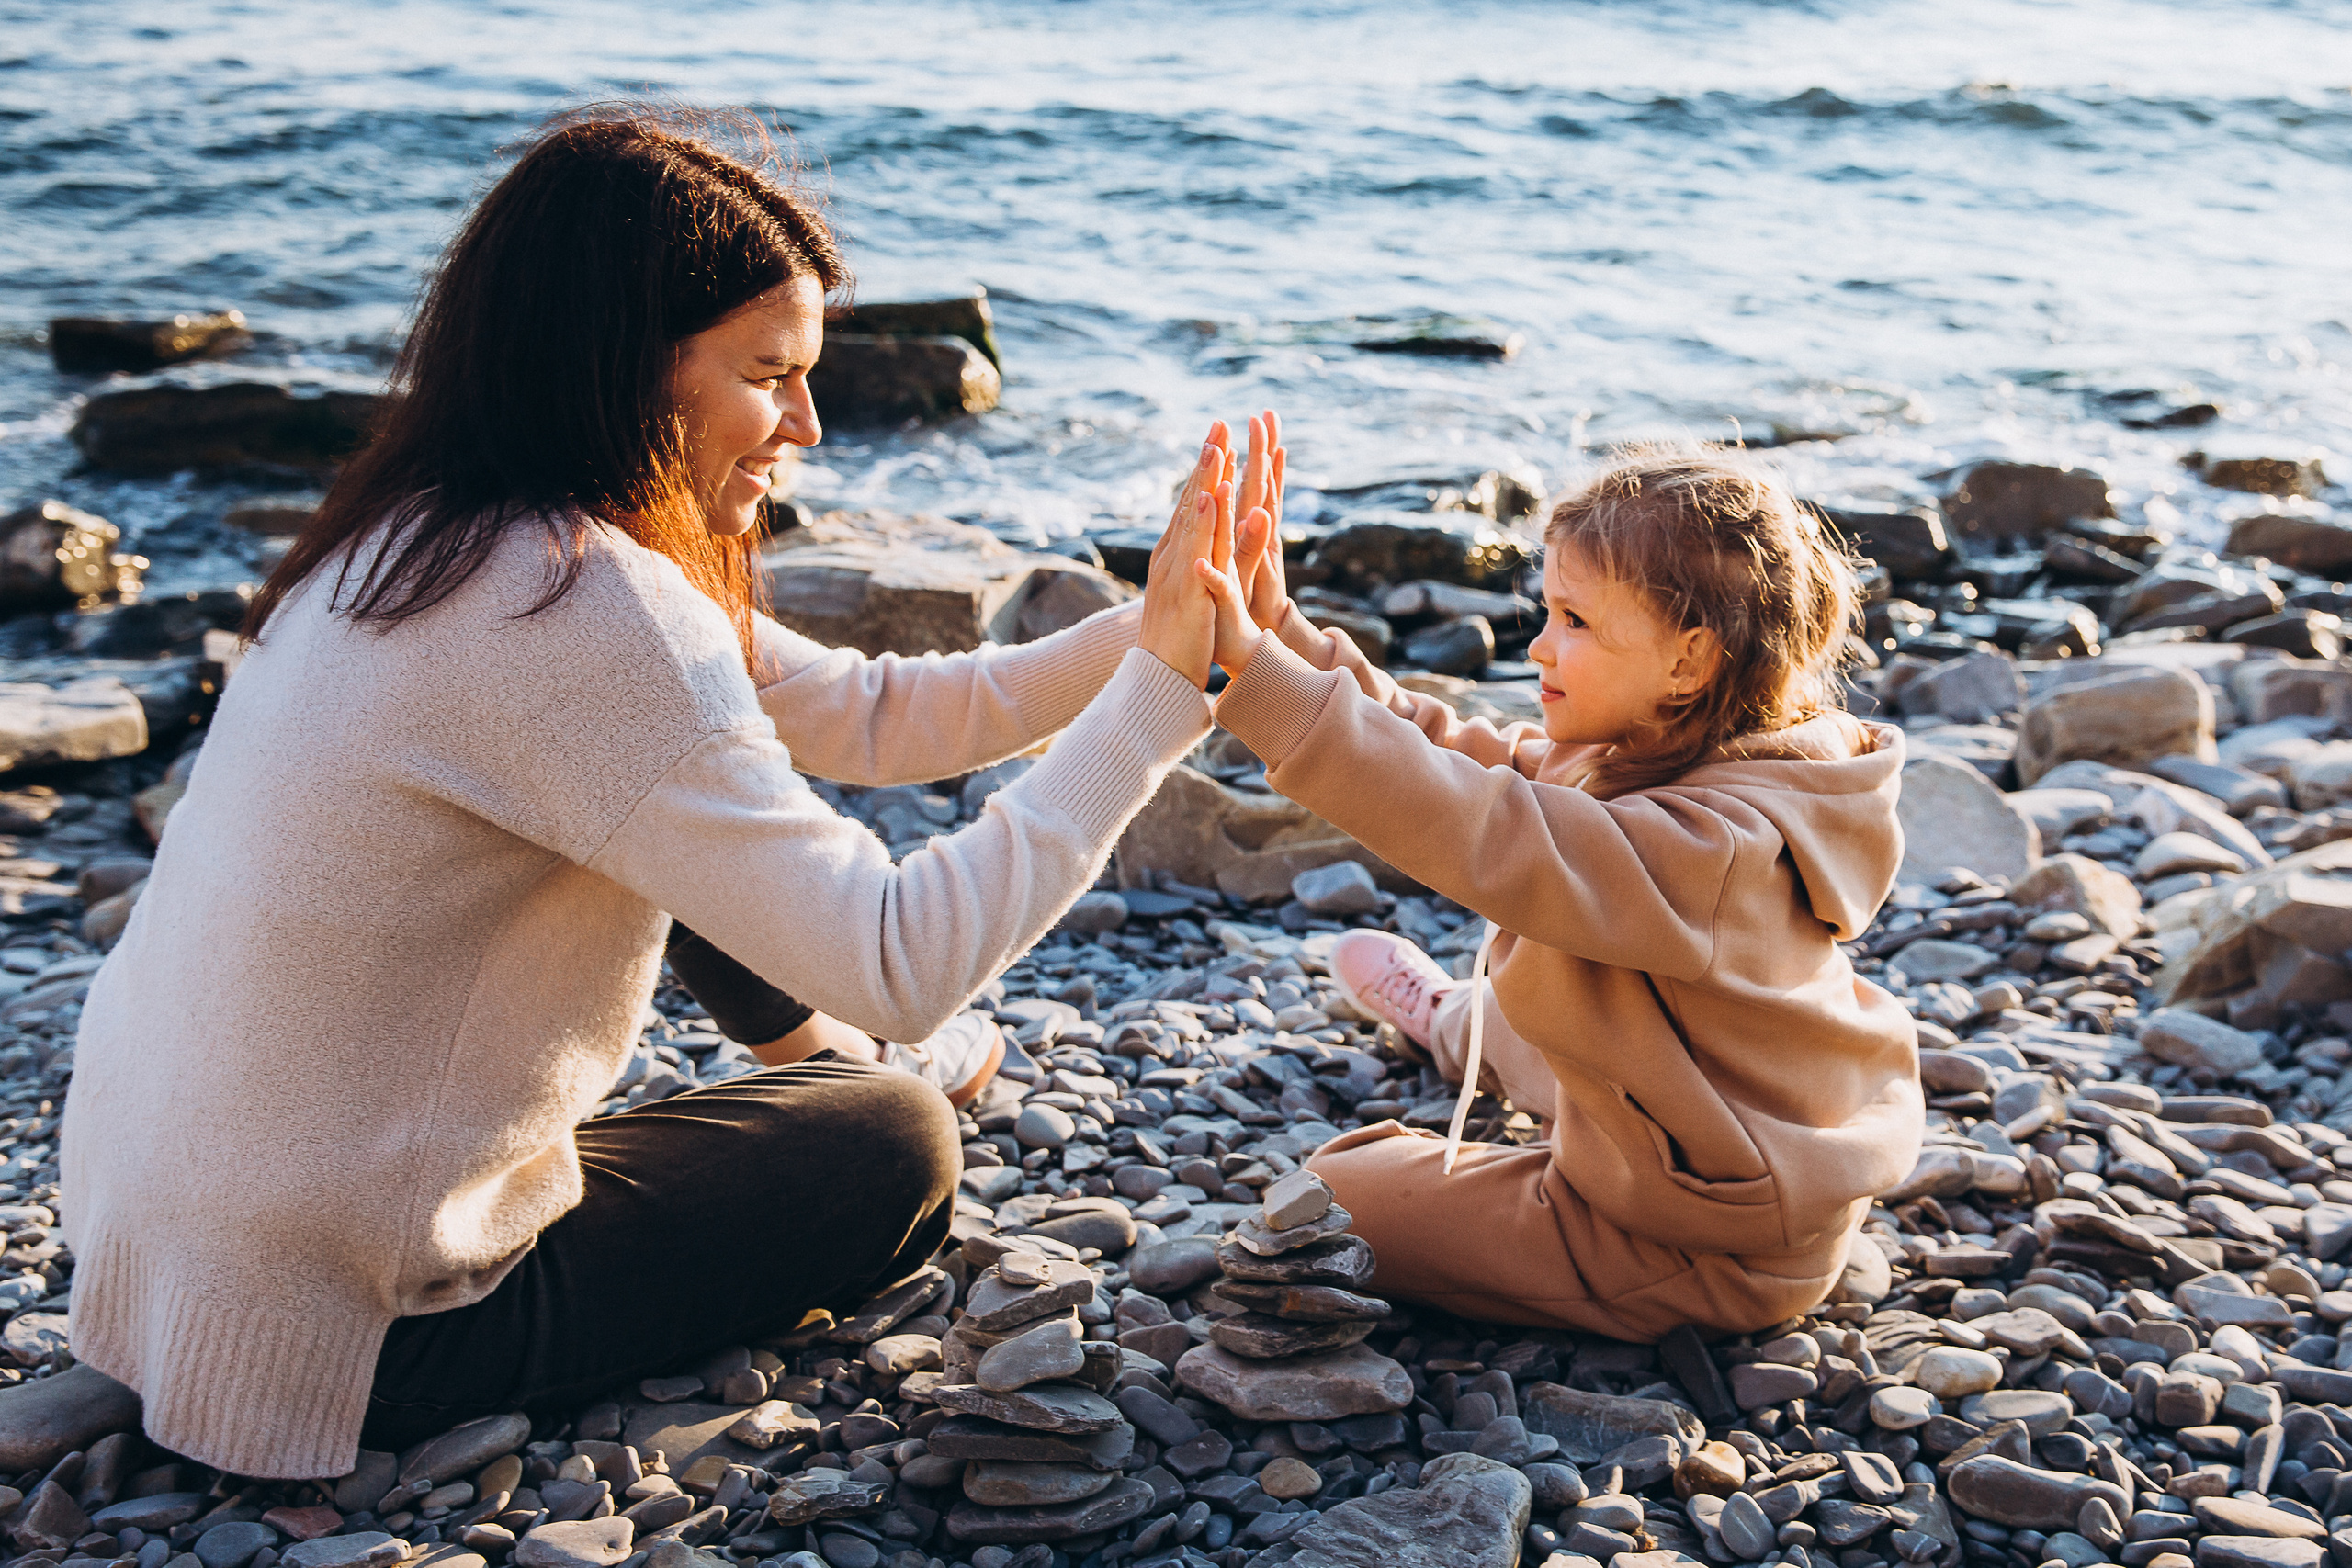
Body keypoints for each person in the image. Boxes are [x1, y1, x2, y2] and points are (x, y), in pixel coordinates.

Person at [56, 109, 1265, 1480]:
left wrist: (1167, 626)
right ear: (627, 364)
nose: (807, 421)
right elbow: (901, 958)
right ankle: (836, 1088)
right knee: (891, 1133)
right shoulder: (587, 616)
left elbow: (872, 708)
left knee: (694, 841)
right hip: (347, 1327)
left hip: (158, 1246)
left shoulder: (418, 531)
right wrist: (1159, 707)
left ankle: (810, 1065)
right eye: (768, 374)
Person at [1190, 439, 1922, 1337]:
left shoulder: (1707, 850)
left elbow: (1485, 823)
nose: (1538, 646)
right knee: (1529, 995)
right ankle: (1458, 1025)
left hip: (1698, 1249)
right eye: (1547, 611)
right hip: (1685, 1095)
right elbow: (1464, 757)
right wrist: (1283, 640)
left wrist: (1267, 691)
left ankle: (1476, 1039)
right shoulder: (1656, 756)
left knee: (1332, 1194)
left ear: (1688, 663)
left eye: (1574, 621)